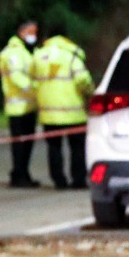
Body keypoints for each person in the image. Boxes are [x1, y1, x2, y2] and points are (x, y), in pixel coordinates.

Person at [32, 27, 93, 189]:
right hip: (74, 113)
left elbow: (32, 81)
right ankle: (78, 179)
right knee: (77, 148)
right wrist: (90, 93)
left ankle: (59, 180)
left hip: (49, 113)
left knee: (54, 147)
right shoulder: (72, 56)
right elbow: (83, 80)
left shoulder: (38, 56)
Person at [0, 21, 40, 188]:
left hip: (29, 106)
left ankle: (23, 173)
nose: (34, 36)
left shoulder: (29, 51)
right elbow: (17, 78)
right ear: (21, 32)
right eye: (31, 32)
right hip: (17, 107)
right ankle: (18, 175)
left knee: (27, 144)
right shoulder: (12, 53)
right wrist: (36, 90)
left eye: (35, 32)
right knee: (20, 145)